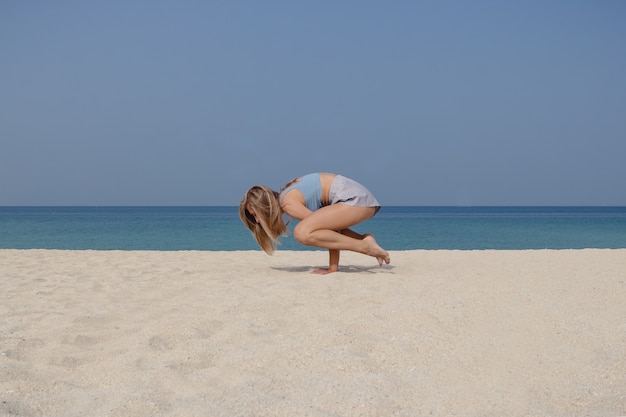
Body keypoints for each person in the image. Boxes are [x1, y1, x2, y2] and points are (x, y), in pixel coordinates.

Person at [239, 173, 390, 274]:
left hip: (355, 200)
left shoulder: (288, 204)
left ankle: (365, 246)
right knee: (309, 229)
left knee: (302, 233)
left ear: (265, 206)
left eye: (255, 214)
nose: (257, 220)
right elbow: (331, 230)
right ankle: (365, 242)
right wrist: (333, 268)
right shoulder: (289, 196)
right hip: (362, 200)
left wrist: (333, 268)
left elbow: (329, 229)